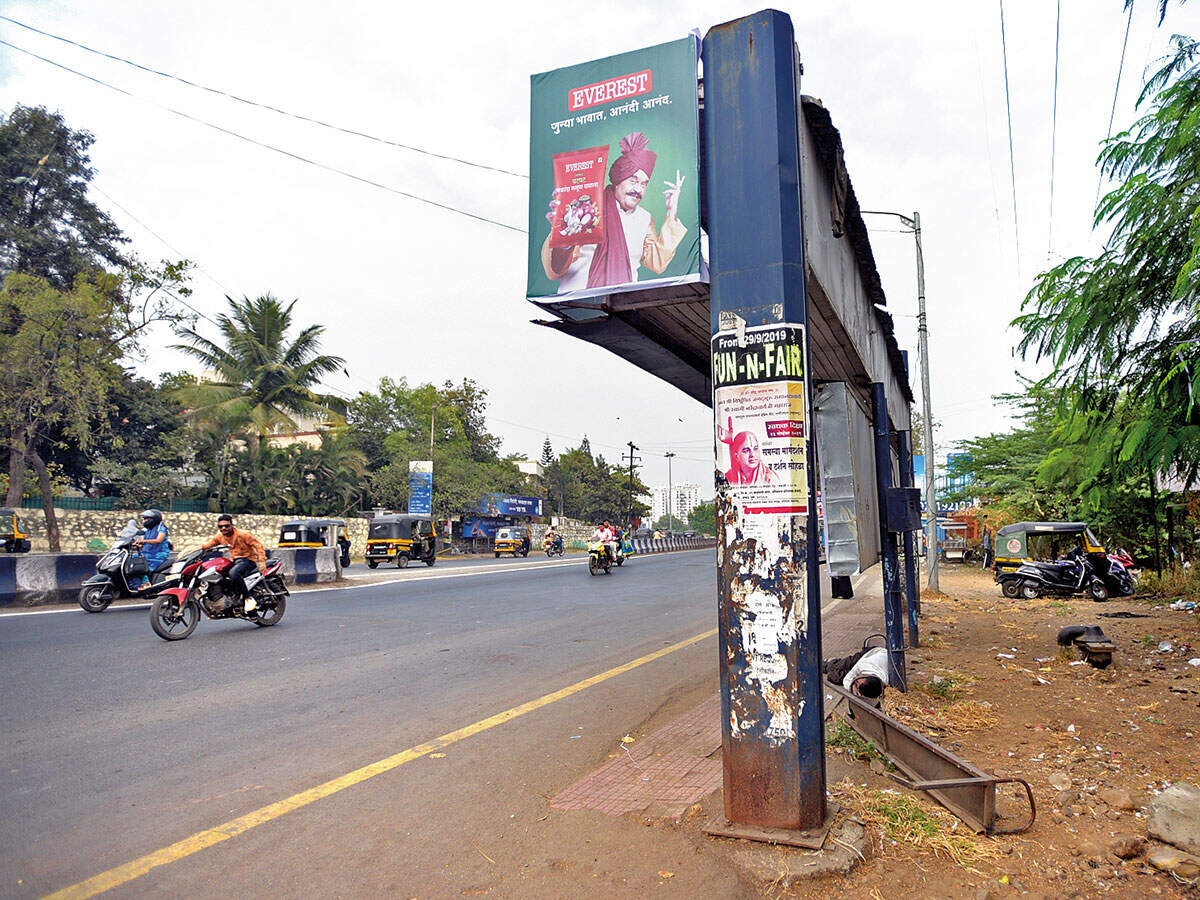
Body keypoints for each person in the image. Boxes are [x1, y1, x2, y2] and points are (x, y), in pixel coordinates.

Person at [542, 132, 687, 292]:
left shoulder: (644, 218)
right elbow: (554, 270)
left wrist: (671, 213)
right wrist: (563, 236)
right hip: (578, 300)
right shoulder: (587, 207)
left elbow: (657, 263)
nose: (638, 189)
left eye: (644, 184)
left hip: (624, 302)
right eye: (633, 181)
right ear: (618, 179)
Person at [200, 514, 267, 612]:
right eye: (220, 526)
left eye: (226, 526)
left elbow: (258, 546)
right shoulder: (220, 537)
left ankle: (247, 598)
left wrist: (262, 563)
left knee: (233, 573)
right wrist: (192, 550)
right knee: (219, 573)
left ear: (232, 525)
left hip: (248, 560)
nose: (223, 528)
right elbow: (206, 546)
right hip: (234, 561)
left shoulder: (243, 534)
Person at [718, 417, 777, 485]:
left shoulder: (770, 479)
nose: (752, 455)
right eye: (746, 450)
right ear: (736, 456)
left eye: (755, 448)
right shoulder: (728, 478)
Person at [132, 508, 170, 590]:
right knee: (131, 560)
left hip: (158, 554)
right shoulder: (148, 529)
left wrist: (143, 541)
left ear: (154, 519)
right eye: (144, 519)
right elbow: (144, 541)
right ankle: (135, 586)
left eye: (147, 518)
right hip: (147, 553)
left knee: (140, 563)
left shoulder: (161, 528)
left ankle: (146, 582)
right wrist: (138, 544)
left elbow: (158, 540)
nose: (145, 521)